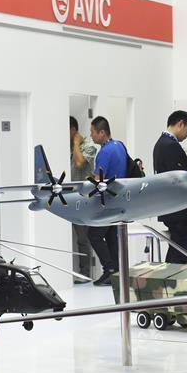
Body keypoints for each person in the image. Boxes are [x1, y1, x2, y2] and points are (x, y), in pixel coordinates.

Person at [152, 110, 187, 264]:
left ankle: (172, 276)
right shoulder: (170, 145)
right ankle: (175, 276)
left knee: (177, 249)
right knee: (180, 252)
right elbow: (180, 178)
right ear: (180, 124)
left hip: (172, 207)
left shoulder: (163, 143)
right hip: (177, 208)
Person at [88, 116, 127, 285]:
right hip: (119, 199)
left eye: (93, 132)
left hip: (106, 200)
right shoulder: (120, 146)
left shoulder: (104, 152)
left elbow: (97, 180)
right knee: (111, 235)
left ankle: (109, 269)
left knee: (94, 235)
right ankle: (116, 271)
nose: (91, 135)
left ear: (102, 132)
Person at [69, 116, 97, 282]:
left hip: (84, 201)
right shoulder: (67, 148)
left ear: (73, 130)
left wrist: (75, 143)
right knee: (77, 239)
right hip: (68, 199)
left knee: (83, 239)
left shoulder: (88, 147)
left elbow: (79, 163)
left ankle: (85, 274)